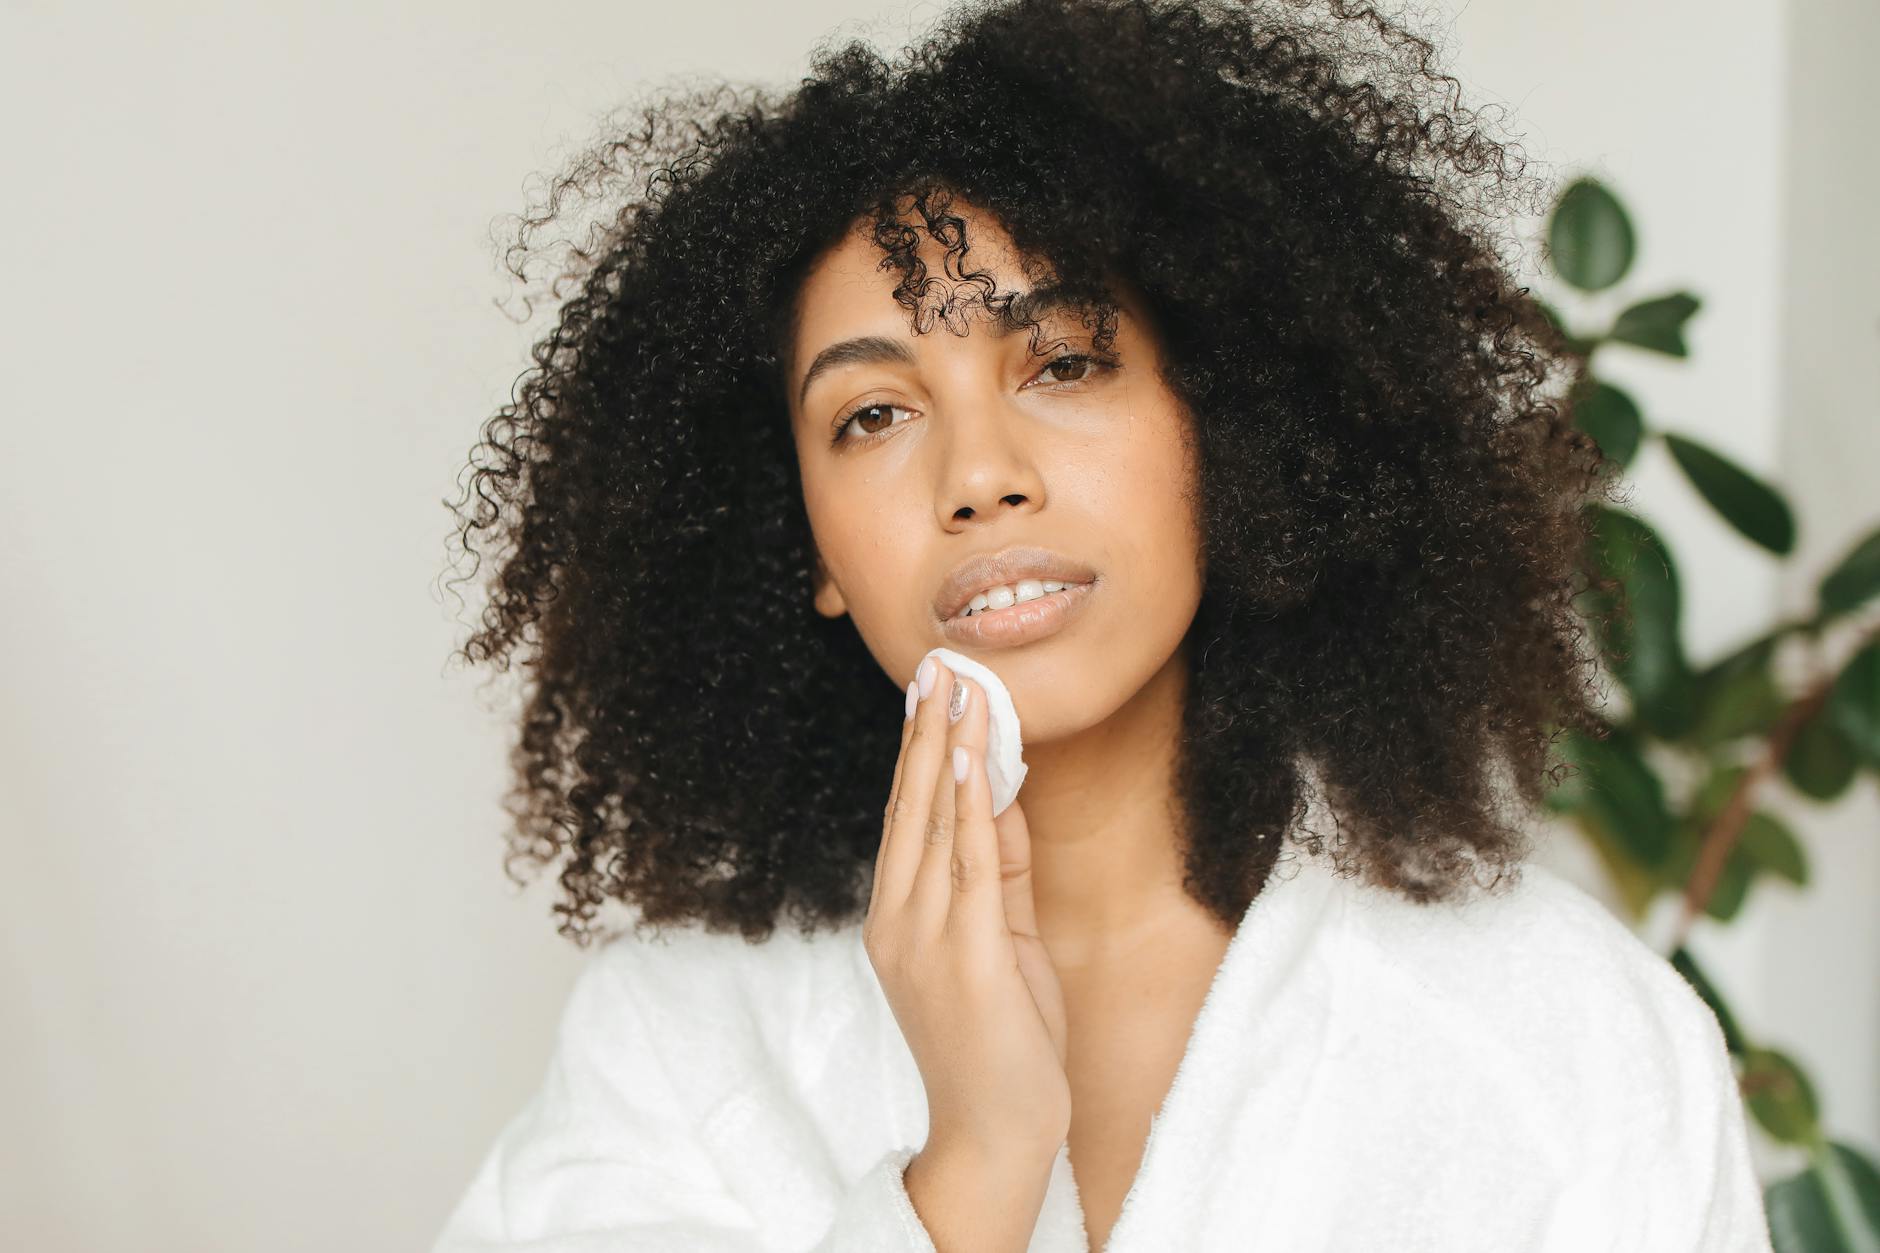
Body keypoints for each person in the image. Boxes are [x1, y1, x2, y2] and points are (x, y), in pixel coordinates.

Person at [431, 0, 1772, 1248]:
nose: (979, 474)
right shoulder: (677, 1049)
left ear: (1222, 423)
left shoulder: (1559, 1036)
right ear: (807, 539)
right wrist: (971, 1165)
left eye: (1063, 361)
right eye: (872, 415)